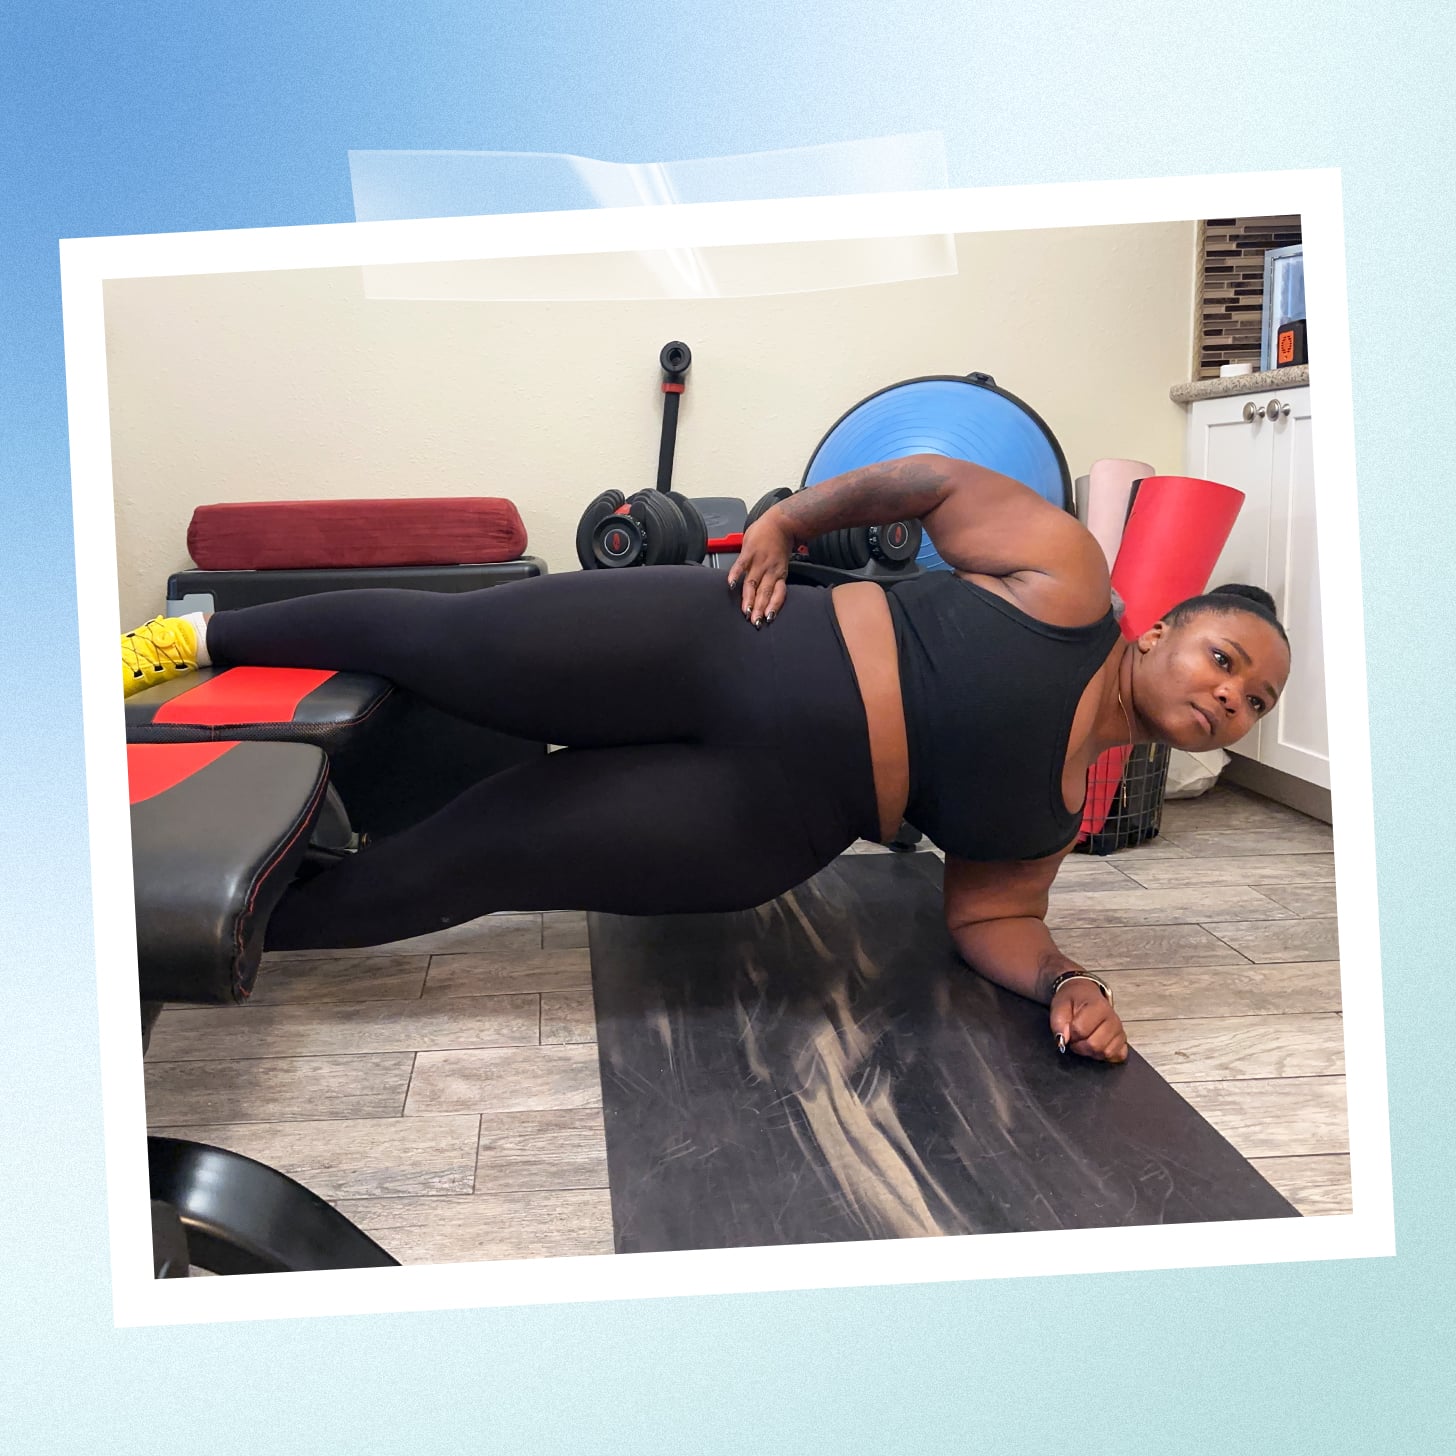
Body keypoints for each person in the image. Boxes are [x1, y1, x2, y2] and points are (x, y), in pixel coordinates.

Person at [120, 456, 1291, 1064]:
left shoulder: (1050, 820)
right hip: (737, 635)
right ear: (1163, 628)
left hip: (757, 820)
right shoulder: (1071, 583)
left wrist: (1070, 981)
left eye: (1253, 702)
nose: (1228, 695)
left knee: (475, 862)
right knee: (454, 638)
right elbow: (932, 480)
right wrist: (786, 525)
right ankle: (192, 636)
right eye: (1225, 657)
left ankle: (196, 929)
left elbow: (993, 923)